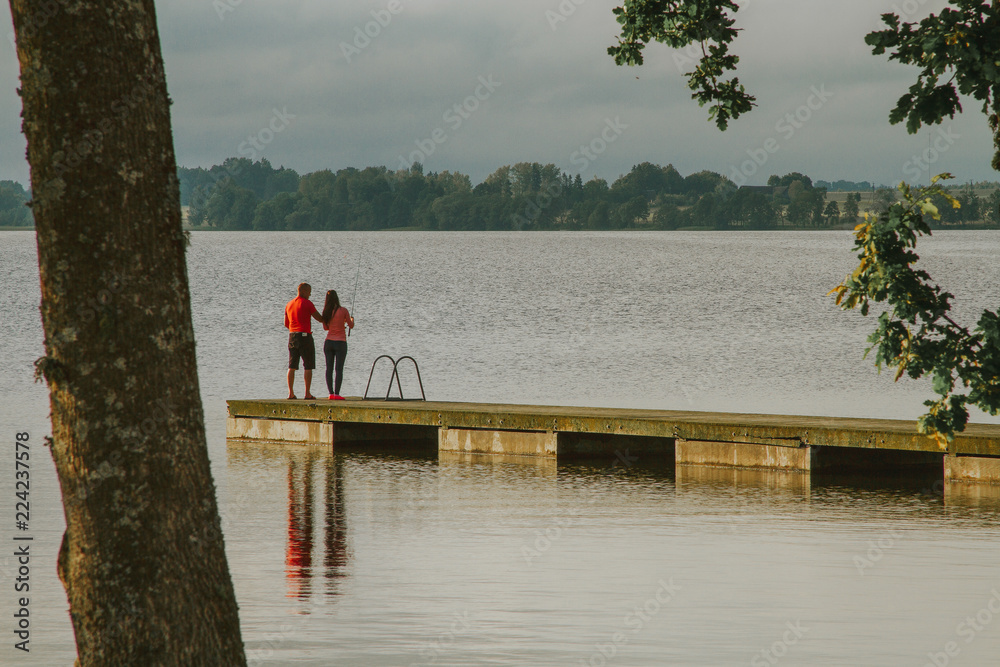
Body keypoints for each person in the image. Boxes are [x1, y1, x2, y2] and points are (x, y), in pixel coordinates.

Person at [284, 282, 323, 400]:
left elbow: (286, 324)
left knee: (292, 366)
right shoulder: (307, 303)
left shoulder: (289, 304)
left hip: (292, 336)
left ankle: (290, 393)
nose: (310, 294)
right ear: (304, 291)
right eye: (309, 292)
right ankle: (307, 393)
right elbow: (319, 318)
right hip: (305, 336)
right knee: (308, 365)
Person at [321, 289, 355, 400]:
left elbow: (326, 328)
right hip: (340, 343)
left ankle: (330, 393)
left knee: (328, 369)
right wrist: (351, 319)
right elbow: (351, 325)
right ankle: (337, 393)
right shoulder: (343, 310)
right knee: (339, 369)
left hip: (329, 342)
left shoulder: (325, 312)